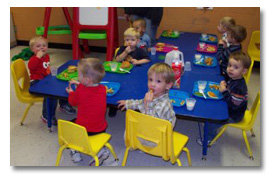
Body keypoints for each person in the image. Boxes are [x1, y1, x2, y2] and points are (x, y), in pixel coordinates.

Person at [197, 51, 251, 146]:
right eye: (230, 65)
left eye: (236, 67)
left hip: (234, 114)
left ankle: (209, 139)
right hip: (229, 107)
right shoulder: (235, 78)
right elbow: (231, 92)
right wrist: (225, 85)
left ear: (243, 71)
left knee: (213, 121)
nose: (230, 69)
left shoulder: (239, 87)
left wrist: (224, 92)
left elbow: (234, 105)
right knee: (210, 106)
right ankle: (207, 122)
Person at [65, 58, 110, 165]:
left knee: (69, 127)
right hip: (101, 128)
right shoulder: (103, 89)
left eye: (79, 75)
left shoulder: (80, 91)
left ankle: (74, 151)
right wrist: (79, 84)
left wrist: (71, 92)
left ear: (86, 80)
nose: (78, 76)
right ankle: (101, 150)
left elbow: (72, 102)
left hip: (85, 130)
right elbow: (90, 91)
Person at [117, 63, 176, 127]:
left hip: (158, 132)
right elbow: (142, 103)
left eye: (158, 81)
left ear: (168, 85)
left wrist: (148, 104)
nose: (152, 84)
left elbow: (151, 123)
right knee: (128, 132)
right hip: (149, 123)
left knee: (131, 132)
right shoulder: (153, 94)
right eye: (150, 80)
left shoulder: (164, 104)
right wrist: (128, 103)